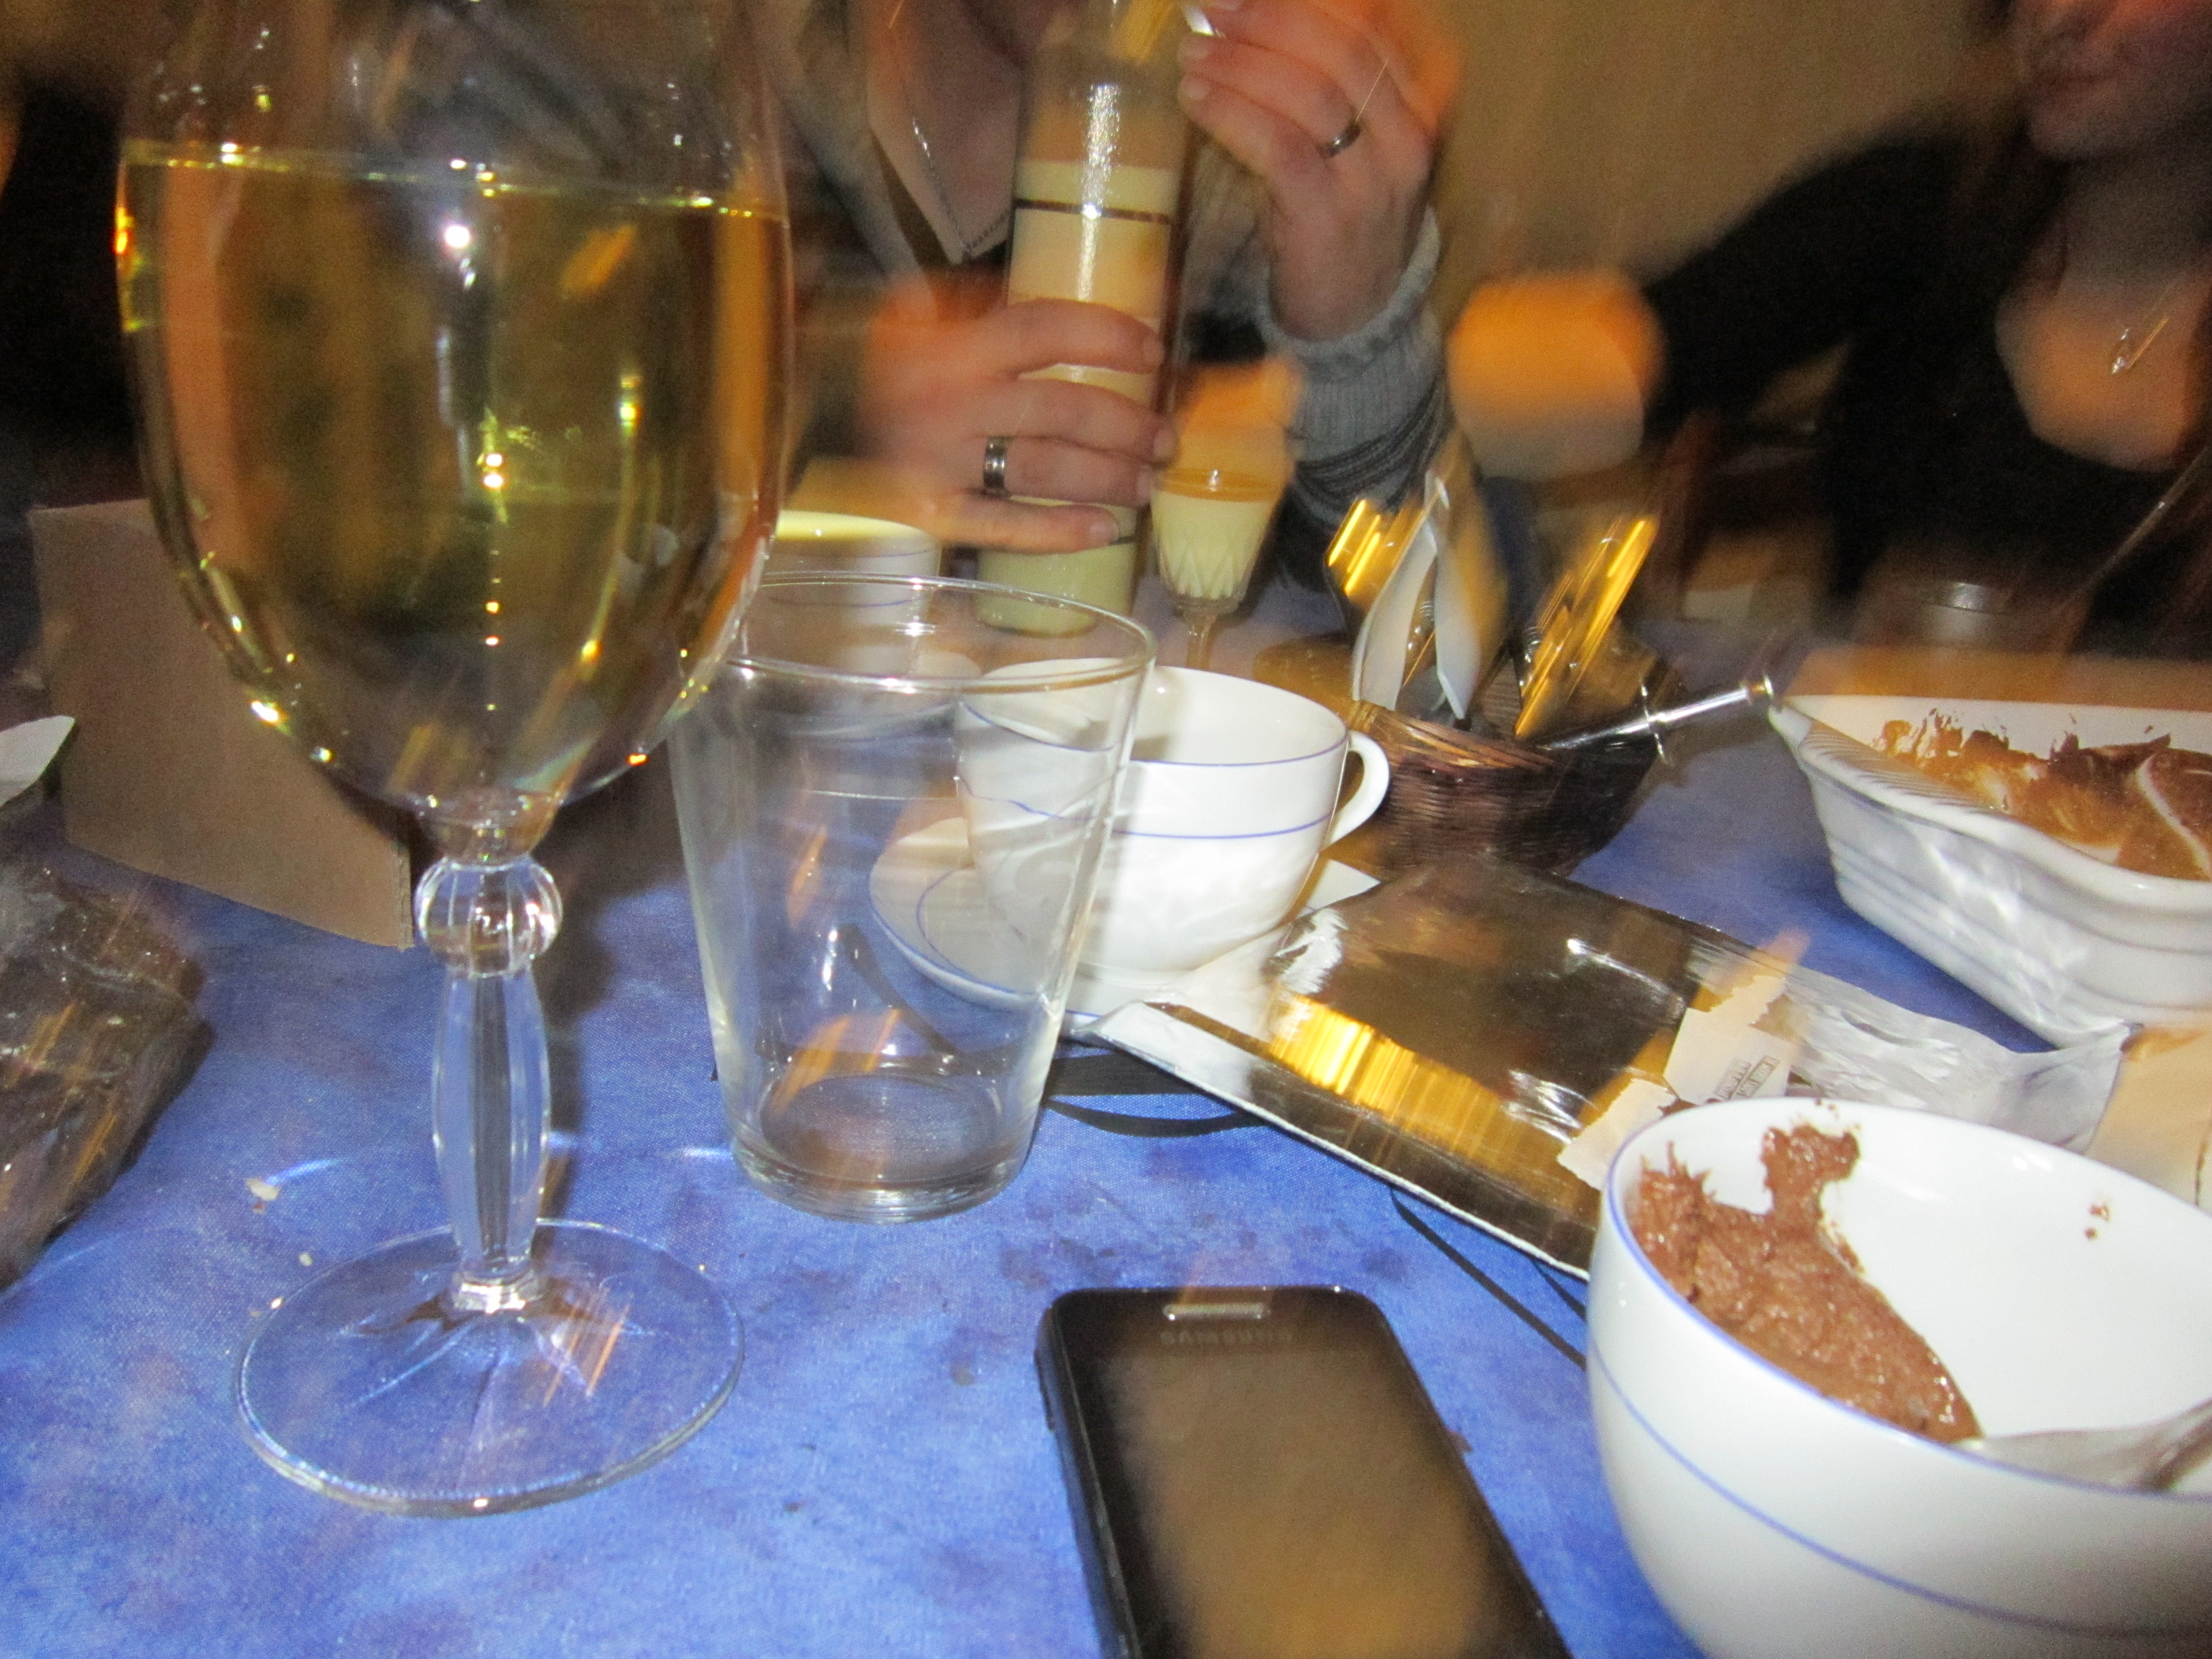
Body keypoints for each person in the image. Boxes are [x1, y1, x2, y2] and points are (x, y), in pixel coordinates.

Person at [1447, 0, 2212, 652]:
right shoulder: (1924, 205)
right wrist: (1390, 356)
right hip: (1871, 772)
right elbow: (1658, 342)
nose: (2062, 16)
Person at [752, 0, 1456, 569]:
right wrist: (814, 408)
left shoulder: (1252, 168)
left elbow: (1382, 605)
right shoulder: (729, 65)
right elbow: (680, 465)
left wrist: (1358, 350)